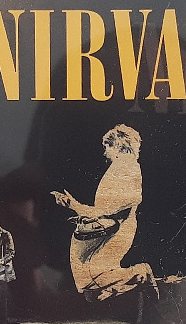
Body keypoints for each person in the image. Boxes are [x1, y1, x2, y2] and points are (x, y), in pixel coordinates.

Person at [52, 124, 157, 306]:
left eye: (107, 147)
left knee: (89, 281)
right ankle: (127, 282)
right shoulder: (118, 167)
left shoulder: (129, 166)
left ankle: (141, 273)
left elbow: (132, 199)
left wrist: (92, 212)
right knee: (89, 289)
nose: (105, 152)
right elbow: (105, 207)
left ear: (117, 145)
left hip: (119, 229)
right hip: (110, 227)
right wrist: (75, 206)